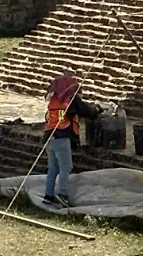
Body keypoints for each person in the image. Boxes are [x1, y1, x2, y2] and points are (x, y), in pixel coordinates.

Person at [43, 73, 101, 208]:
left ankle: (48, 195)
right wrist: (97, 110)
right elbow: (88, 112)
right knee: (66, 166)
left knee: (53, 167)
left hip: (49, 137)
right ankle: (62, 194)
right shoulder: (71, 100)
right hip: (61, 137)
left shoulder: (54, 100)